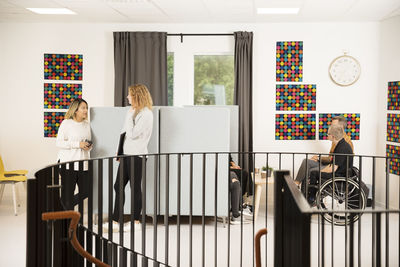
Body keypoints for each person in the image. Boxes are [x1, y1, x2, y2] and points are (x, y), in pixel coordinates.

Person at [108, 84, 153, 232]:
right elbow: (124, 133)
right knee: (118, 186)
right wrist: (119, 152)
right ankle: (116, 221)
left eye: (130, 95)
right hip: (127, 154)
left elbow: (132, 134)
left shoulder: (146, 114)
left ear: (137, 96)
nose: (127, 97)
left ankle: (136, 221)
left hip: (137, 155)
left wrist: (129, 116)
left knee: (135, 188)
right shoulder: (132, 112)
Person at [295, 116, 354, 185]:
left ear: (340, 127)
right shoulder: (336, 140)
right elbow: (332, 158)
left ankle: (307, 192)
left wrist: (320, 159)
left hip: (335, 169)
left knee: (310, 171)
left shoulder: (344, 143)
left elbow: (337, 163)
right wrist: (318, 158)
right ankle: (296, 184)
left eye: (333, 125)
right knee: (307, 162)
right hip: (330, 164)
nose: (331, 126)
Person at [56, 98, 92, 210]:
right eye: (83, 108)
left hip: (83, 164)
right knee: (67, 194)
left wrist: (88, 147)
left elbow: (90, 143)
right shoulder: (66, 123)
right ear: (75, 110)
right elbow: (59, 143)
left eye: (86, 108)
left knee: (86, 191)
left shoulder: (87, 125)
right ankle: (67, 219)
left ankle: (65, 206)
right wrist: (78, 144)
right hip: (68, 164)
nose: (86, 110)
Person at [307, 124, 354, 204]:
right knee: (315, 173)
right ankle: (311, 197)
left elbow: (333, 168)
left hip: (339, 176)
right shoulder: (340, 145)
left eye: (328, 134)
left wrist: (320, 172)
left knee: (313, 173)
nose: (327, 135)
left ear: (333, 136)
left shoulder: (342, 148)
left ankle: (311, 198)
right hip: (340, 173)